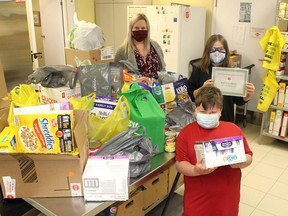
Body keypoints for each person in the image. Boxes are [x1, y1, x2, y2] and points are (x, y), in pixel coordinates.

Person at [176, 86, 253, 216]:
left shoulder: (233, 130)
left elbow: (248, 155)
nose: (207, 116)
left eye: (212, 113)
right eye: (202, 111)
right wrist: (195, 170)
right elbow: (180, 164)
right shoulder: (186, 133)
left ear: (220, 111)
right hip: (197, 197)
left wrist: (241, 162)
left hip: (227, 197)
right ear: (195, 109)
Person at [187, 34, 255, 122]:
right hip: (203, 120)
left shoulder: (232, 72)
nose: (217, 53)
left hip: (225, 119)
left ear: (226, 51)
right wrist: (202, 89)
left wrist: (248, 95)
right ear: (207, 51)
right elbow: (189, 96)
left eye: (220, 49)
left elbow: (238, 101)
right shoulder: (199, 71)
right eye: (213, 50)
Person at [114, 13, 166, 79]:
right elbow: (115, 77)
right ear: (131, 30)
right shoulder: (122, 51)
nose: (140, 30)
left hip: (156, 88)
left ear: (147, 29)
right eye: (136, 28)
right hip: (134, 88)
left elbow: (163, 70)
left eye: (143, 28)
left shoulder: (156, 47)